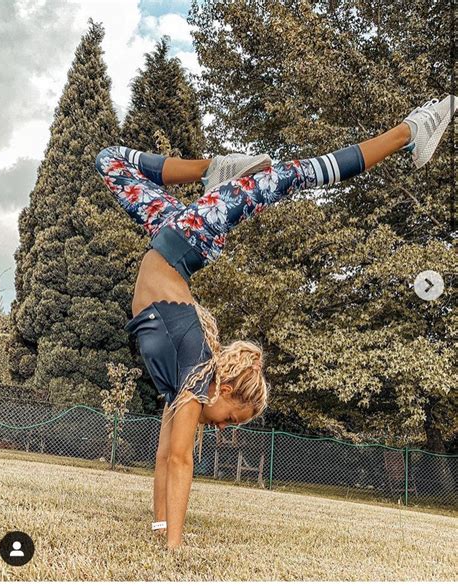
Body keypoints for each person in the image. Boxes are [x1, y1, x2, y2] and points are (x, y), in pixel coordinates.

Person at [95, 95, 456, 548]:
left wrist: (160, 530)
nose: (223, 427)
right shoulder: (196, 377)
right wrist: (174, 549)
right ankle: (411, 130)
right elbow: (182, 462)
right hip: (189, 233)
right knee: (302, 174)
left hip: (177, 235)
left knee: (109, 160)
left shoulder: (182, 389)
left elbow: (167, 456)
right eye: (231, 418)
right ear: (225, 390)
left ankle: (216, 171)